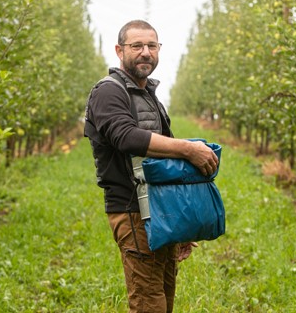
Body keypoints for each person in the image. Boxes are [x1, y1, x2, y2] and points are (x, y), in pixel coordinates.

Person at [84, 19, 219, 313]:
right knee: (148, 304)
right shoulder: (108, 92)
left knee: (164, 299)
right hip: (133, 212)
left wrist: (179, 228)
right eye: (137, 46)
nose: (145, 52)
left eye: (151, 45)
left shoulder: (149, 96)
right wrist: (188, 148)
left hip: (158, 211)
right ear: (120, 50)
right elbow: (126, 137)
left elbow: (163, 162)